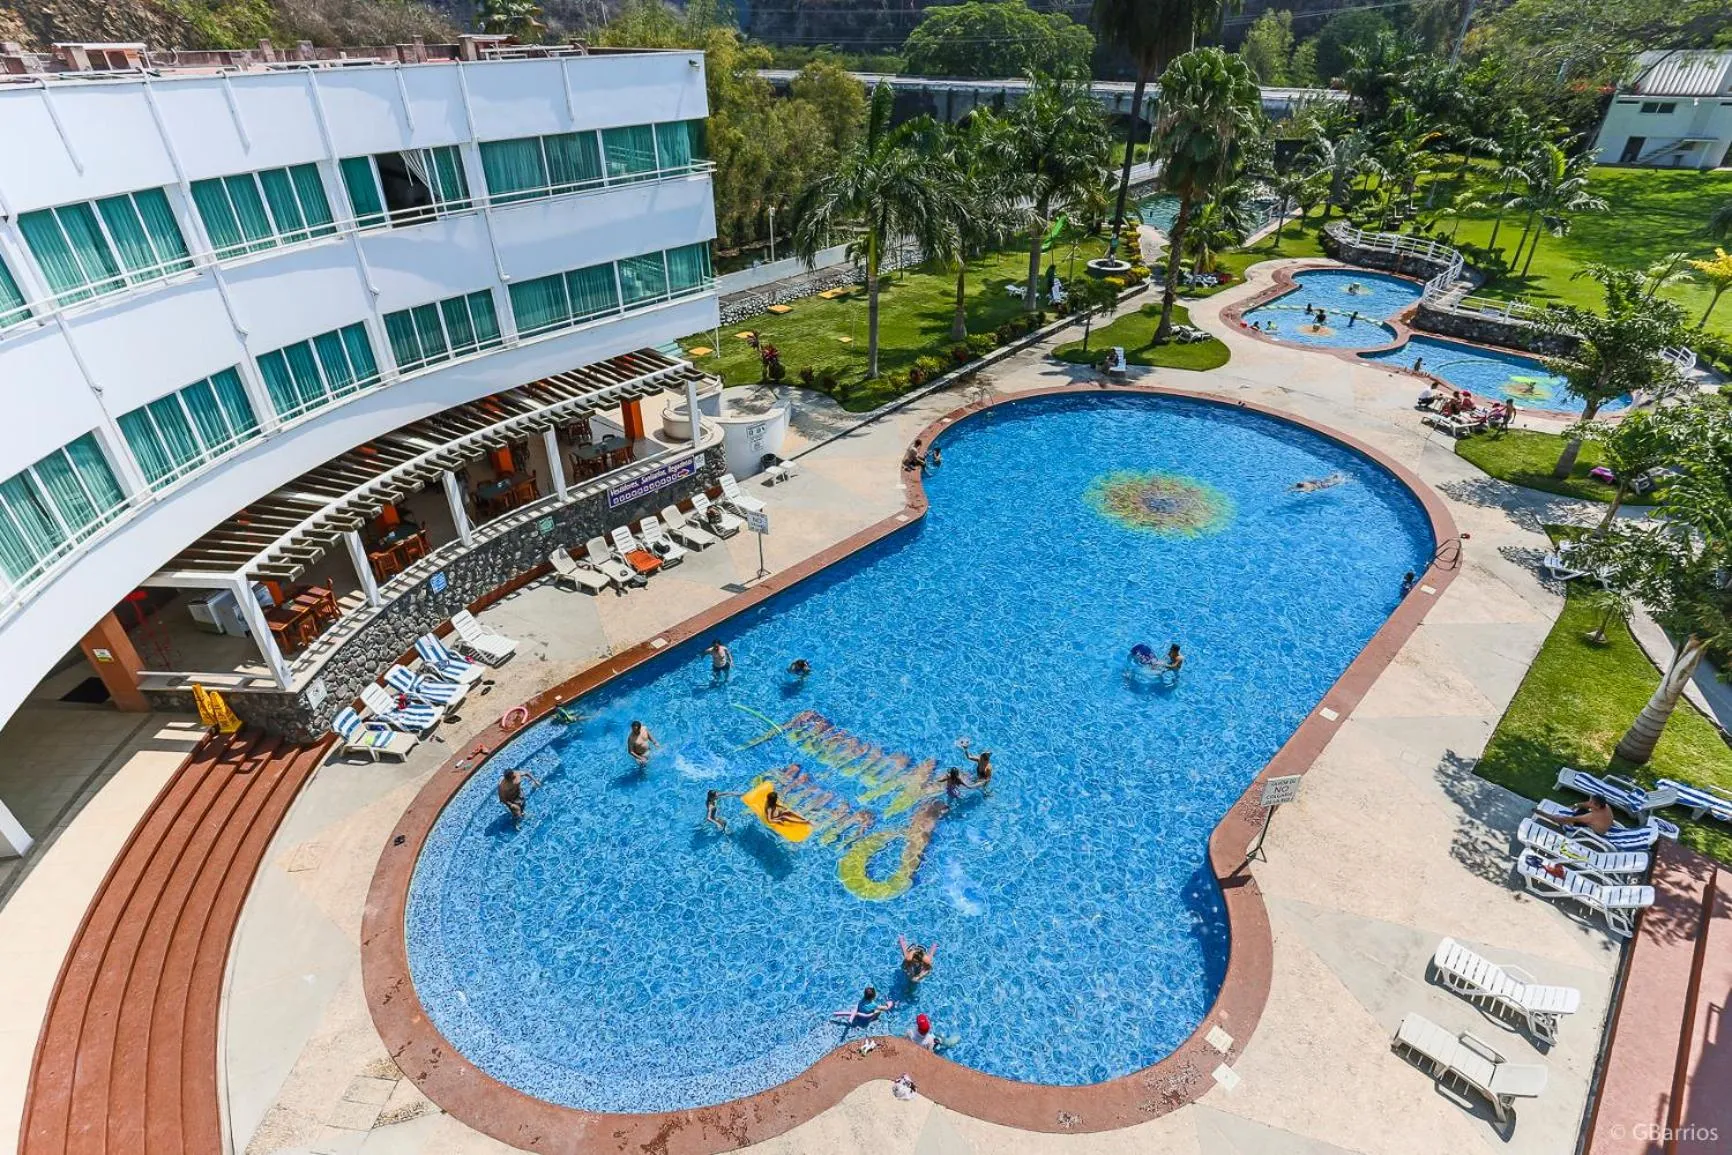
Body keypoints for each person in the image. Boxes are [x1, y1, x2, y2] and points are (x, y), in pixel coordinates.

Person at [1549, 795, 1615, 836]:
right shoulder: (1606, 806)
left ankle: (1570, 827)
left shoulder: (1591, 816)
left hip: (1596, 832)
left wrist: (1549, 816)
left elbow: (1569, 819)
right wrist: (1576, 805)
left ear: (1597, 806)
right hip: (1603, 824)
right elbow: (1587, 804)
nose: (1589, 803)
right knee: (1582, 809)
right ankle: (1572, 822)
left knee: (1565, 823)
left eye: (1591, 802)